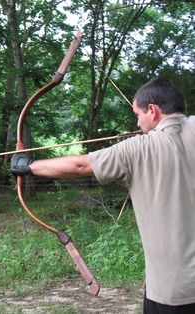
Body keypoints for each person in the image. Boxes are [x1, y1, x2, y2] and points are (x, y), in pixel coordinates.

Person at [11, 78, 195, 314]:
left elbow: (80, 166)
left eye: (137, 114)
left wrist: (28, 166)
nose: (137, 123)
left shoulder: (138, 149)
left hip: (173, 293)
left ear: (153, 110)